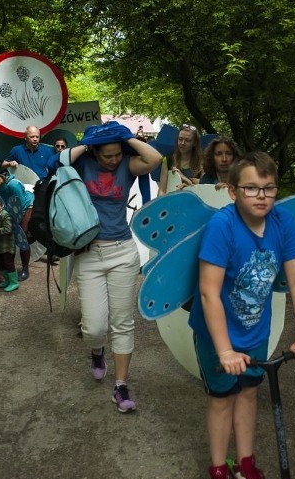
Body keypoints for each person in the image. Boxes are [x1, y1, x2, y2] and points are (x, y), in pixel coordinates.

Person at [187, 151, 295, 479]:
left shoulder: (283, 222)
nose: (261, 197)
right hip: (217, 332)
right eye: (251, 189)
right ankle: (218, 474)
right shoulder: (222, 226)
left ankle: (245, 465)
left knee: (248, 393)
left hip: (254, 329)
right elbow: (208, 292)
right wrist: (225, 349)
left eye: (269, 188)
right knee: (222, 399)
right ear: (232, 192)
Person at [67, 122, 162, 413]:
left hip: (122, 251)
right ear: (95, 152)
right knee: (94, 328)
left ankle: (120, 386)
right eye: (107, 155)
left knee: (122, 322)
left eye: (116, 154)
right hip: (88, 254)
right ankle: (97, 351)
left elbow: (154, 159)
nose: (113, 160)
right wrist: (90, 141)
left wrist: (126, 138)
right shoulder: (82, 165)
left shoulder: (127, 165)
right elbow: (56, 161)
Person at [158, 124, 204, 195]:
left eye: (187, 140)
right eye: (180, 139)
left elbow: (204, 191)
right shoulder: (167, 160)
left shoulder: (202, 162)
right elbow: (162, 190)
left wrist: (183, 177)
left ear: (194, 143)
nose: (182, 143)